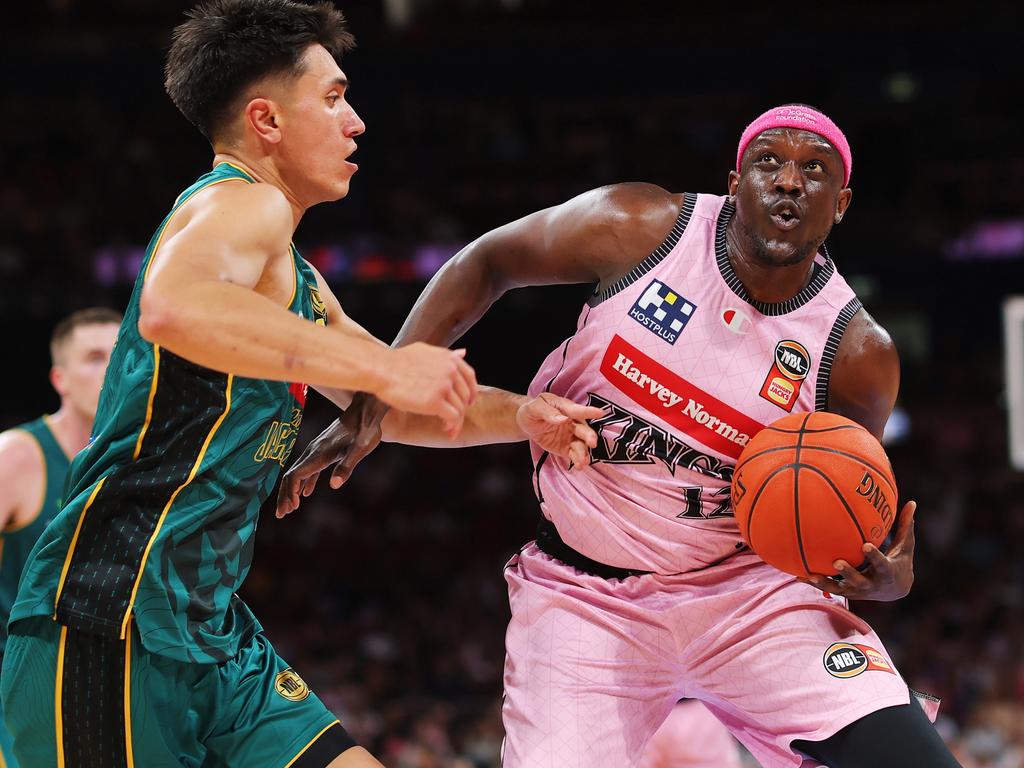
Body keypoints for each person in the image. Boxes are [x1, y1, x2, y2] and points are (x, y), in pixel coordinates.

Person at [0, 2, 595, 766]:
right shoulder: (237, 202)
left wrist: (526, 417)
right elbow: (174, 307)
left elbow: (394, 405)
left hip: (209, 630)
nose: (356, 123)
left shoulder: (297, 280)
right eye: (333, 97)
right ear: (266, 120)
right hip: (110, 624)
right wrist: (388, 366)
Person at [280, 104, 962, 767]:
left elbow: (836, 524)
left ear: (841, 204)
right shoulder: (641, 228)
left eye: (814, 171)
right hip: (586, 598)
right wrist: (376, 398)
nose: (789, 179)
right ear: (734, 185)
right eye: (768, 163)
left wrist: (886, 579)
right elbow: (488, 261)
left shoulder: (857, 355)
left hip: (750, 601)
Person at [0, 308, 121, 768]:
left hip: (100, 696)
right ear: (60, 379)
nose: (112, 370)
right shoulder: (16, 457)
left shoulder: (142, 464)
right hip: (18, 695)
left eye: (121, 355)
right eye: (93, 358)